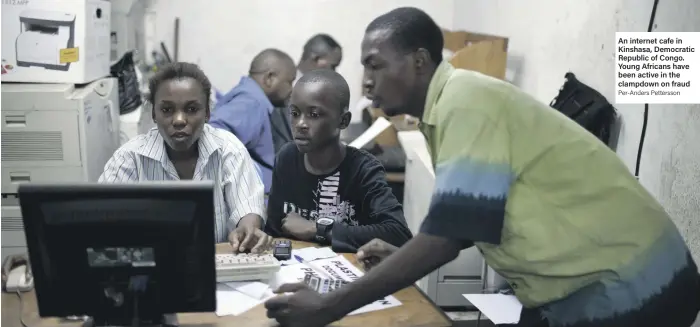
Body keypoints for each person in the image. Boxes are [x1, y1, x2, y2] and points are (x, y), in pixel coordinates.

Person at [264, 7, 700, 327]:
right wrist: (402, 257)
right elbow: (474, 217)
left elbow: (446, 237)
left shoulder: (465, 101)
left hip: (633, 285)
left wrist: (328, 305)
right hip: (579, 287)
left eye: (376, 64)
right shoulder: (442, 111)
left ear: (418, 61)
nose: (366, 81)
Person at [100, 62, 272, 253]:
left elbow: (248, 208)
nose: (179, 120)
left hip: (220, 272)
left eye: (191, 109)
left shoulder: (229, 150)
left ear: (207, 112)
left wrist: (247, 228)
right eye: (167, 110)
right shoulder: (129, 158)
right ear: (153, 114)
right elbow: (102, 222)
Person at [265, 69, 412, 253]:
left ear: (343, 121)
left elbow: (398, 234)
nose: (300, 123)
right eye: (295, 113)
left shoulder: (363, 169)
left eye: (314, 114)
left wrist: (316, 229)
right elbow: (273, 229)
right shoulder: (287, 158)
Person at [209, 49, 296, 194]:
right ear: (270, 78)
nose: (291, 89)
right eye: (289, 82)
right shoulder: (252, 102)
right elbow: (214, 136)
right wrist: (248, 173)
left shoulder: (250, 96)